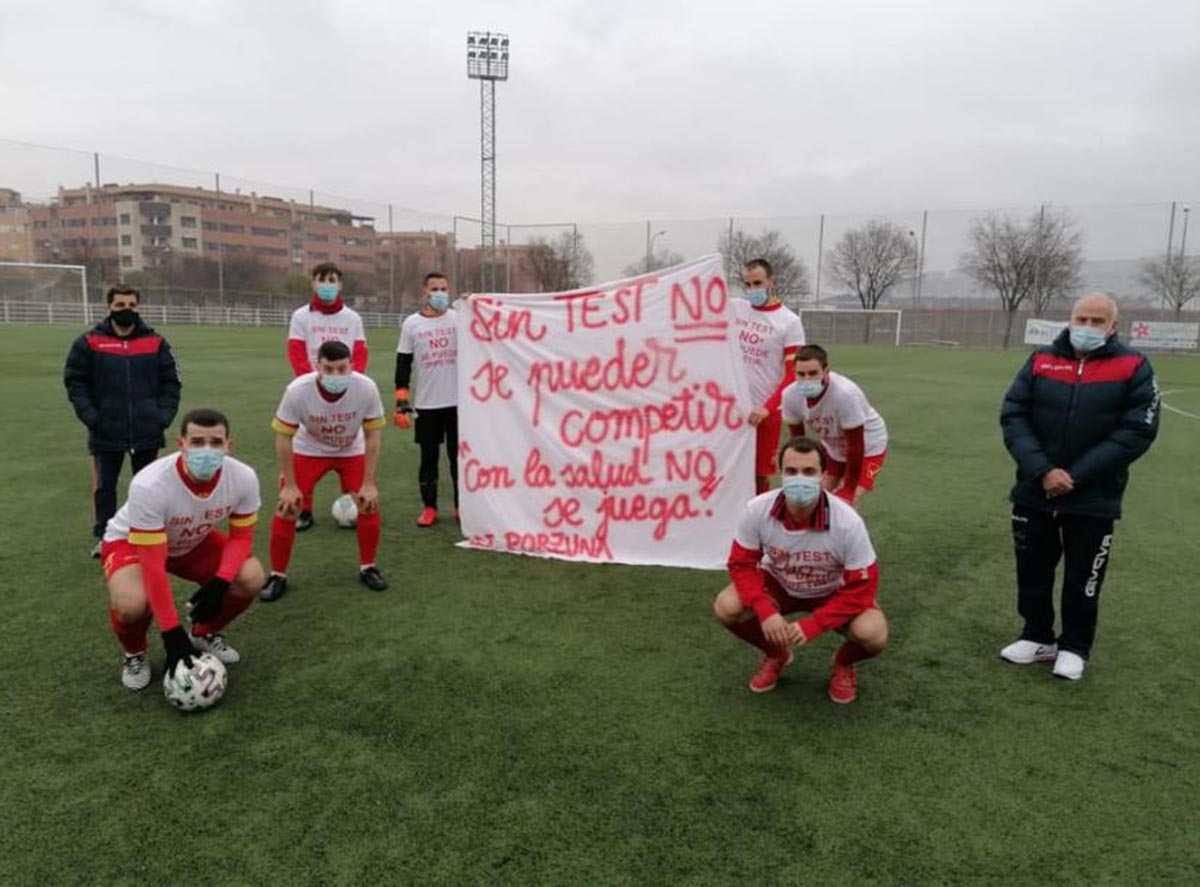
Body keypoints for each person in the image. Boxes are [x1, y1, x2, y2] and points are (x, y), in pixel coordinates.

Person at [999, 293, 1159, 681]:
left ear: (1113, 326)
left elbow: (1137, 430)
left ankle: (1074, 646)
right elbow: (1014, 416)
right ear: (1069, 320)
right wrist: (1043, 471)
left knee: (1083, 576)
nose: (1087, 327)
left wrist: (1076, 475)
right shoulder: (1039, 360)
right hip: (1035, 491)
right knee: (1032, 571)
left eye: (1096, 321)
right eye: (1081, 319)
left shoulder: (1133, 366)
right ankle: (1037, 636)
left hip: (1093, 499)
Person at [712, 436, 888, 704]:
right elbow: (741, 564)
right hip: (779, 584)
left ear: (823, 475)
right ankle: (776, 654)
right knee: (726, 606)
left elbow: (863, 587)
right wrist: (764, 610)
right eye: (792, 471)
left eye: (809, 472)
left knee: (873, 634)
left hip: (831, 590)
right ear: (780, 472)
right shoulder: (757, 509)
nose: (799, 479)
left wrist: (815, 624)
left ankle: (842, 664)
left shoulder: (847, 522)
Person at [100, 408, 263, 692]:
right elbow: (153, 564)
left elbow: (241, 538)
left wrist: (221, 580)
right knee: (132, 604)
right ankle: (135, 653)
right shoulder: (150, 484)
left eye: (215, 442)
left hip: (192, 539)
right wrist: (171, 633)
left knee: (250, 577)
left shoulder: (243, 477)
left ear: (228, 446)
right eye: (198, 442)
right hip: (132, 542)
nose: (207, 450)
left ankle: (204, 632)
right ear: (182, 445)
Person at [261, 340, 388, 601]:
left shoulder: (366, 388)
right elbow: (283, 437)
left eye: (342, 369)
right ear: (317, 366)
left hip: (351, 449)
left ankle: (368, 567)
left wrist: (369, 482)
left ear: (352, 365)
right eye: (329, 369)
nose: (336, 375)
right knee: (288, 506)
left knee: (368, 503)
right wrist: (291, 485)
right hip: (310, 449)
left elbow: (373, 435)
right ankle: (277, 575)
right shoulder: (298, 390)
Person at [64, 284, 182, 557]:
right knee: (105, 486)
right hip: (106, 430)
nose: (126, 311)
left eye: (131, 305)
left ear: (137, 307)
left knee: (147, 486)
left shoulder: (156, 342)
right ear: (109, 307)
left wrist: (162, 417)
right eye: (120, 306)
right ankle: (106, 537)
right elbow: (75, 381)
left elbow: (172, 383)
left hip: (147, 429)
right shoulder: (89, 342)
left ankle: (145, 534)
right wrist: (92, 417)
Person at [285, 262, 369, 530]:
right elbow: (296, 352)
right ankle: (304, 509)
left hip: (345, 389)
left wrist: (349, 384)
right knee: (306, 445)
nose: (327, 285)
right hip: (312, 391)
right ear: (313, 283)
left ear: (340, 284)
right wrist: (311, 383)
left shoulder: (352, 318)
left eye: (332, 280)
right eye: (321, 280)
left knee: (349, 440)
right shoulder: (301, 316)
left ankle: (351, 501)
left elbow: (360, 353)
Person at [781, 344, 888, 506]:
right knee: (814, 497)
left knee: (845, 502)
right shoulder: (790, 395)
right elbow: (798, 442)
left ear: (826, 371)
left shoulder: (845, 395)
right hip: (834, 448)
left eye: (813, 373)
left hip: (868, 448)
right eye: (801, 374)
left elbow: (855, 446)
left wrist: (849, 489)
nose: (807, 379)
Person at [733, 258, 806, 494]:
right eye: (748, 284)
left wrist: (768, 407)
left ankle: (758, 523)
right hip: (732, 409)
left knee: (759, 475)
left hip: (765, 413)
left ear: (771, 282)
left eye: (758, 283)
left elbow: (793, 373)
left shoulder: (790, 322)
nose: (753, 289)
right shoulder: (736, 308)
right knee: (727, 469)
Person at [395, 271, 459, 527]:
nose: (441, 293)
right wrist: (401, 398)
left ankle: (461, 506)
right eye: (435, 289)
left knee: (459, 458)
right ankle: (430, 507)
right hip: (427, 404)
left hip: (458, 404)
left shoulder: (459, 318)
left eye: (444, 288)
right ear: (425, 292)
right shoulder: (412, 324)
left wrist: (475, 302)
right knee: (428, 459)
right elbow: (403, 361)